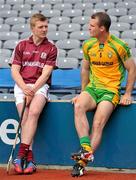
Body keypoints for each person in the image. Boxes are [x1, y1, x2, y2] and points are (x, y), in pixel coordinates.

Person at [71, 12, 136, 177]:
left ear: (102, 28)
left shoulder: (119, 45)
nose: (89, 28)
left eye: (92, 26)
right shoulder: (88, 45)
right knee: (78, 106)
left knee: (98, 124)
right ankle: (86, 149)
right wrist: (82, 92)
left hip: (110, 91)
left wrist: (127, 93)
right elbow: (85, 69)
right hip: (93, 88)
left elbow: (132, 68)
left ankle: (81, 163)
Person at [11, 13, 57, 174]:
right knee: (24, 119)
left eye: (46, 26)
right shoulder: (21, 45)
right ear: (32, 28)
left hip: (40, 85)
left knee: (34, 112)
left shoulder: (51, 47)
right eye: (41, 27)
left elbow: (45, 75)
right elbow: (15, 70)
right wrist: (24, 88)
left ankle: (20, 155)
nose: (45, 29)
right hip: (22, 85)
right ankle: (30, 159)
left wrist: (32, 90)